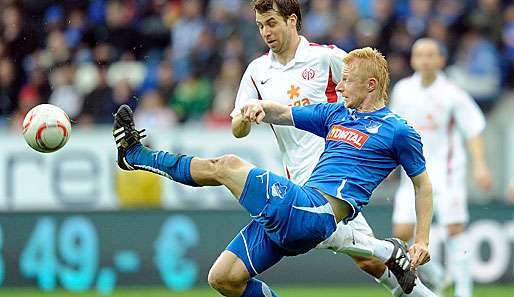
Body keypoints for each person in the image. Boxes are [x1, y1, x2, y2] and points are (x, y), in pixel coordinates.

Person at [112, 46, 433, 297]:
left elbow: (422, 184)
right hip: (299, 216)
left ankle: (137, 156)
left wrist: (421, 240)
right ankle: (385, 250)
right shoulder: (336, 113)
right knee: (223, 278)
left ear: (371, 84)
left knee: (227, 166)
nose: (341, 85)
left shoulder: (397, 131)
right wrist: (261, 108)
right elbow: (286, 113)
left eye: (347, 79)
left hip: (317, 211)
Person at [228, 1, 436, 297]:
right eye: (260, 26)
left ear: (291, 20)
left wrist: (378, 144)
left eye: (271, 23)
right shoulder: (257, 70)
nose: (266, 32)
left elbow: (368, 90)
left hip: (338, 173)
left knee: (342, 245)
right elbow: (237, 128)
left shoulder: (327, 57)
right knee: (369, 260)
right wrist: (246, 119)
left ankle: (390, 255)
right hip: (297, 176)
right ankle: (403, 270)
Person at [390, 38, 493, 297]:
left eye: (430, 55)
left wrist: (479, 166)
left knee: (454, 228)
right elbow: (393, 131)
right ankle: (439, 276)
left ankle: (464, 291)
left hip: (447, 174)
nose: (425, 60)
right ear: (413, 60)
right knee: (402, 234)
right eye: (420, 55)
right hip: (412, 175)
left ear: (441, 60)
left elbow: (472, 130)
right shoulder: (403, 90)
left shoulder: (452, 93)